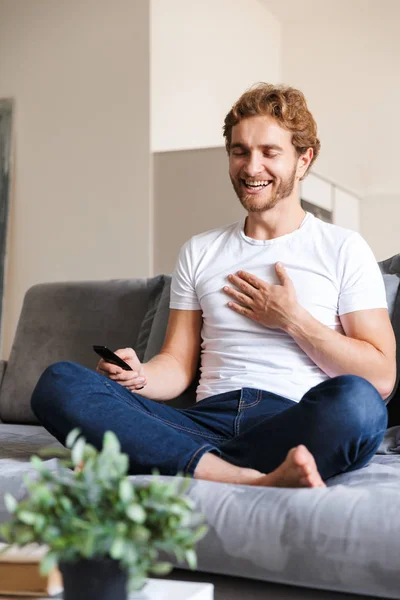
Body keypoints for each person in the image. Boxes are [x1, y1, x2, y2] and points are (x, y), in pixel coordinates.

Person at [31, 83, 396, 488]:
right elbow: (177, 364)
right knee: (60, 382)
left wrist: (293, 319)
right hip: (203, 422)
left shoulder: (343, 248)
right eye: (240, 151)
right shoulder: (200, 251)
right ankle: (239, 474)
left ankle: (181, 461)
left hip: (292, 424)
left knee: (359, 406)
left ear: (303, 160)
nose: (251, 167)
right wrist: (141, 377)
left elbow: (380, 376)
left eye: (270, 152)